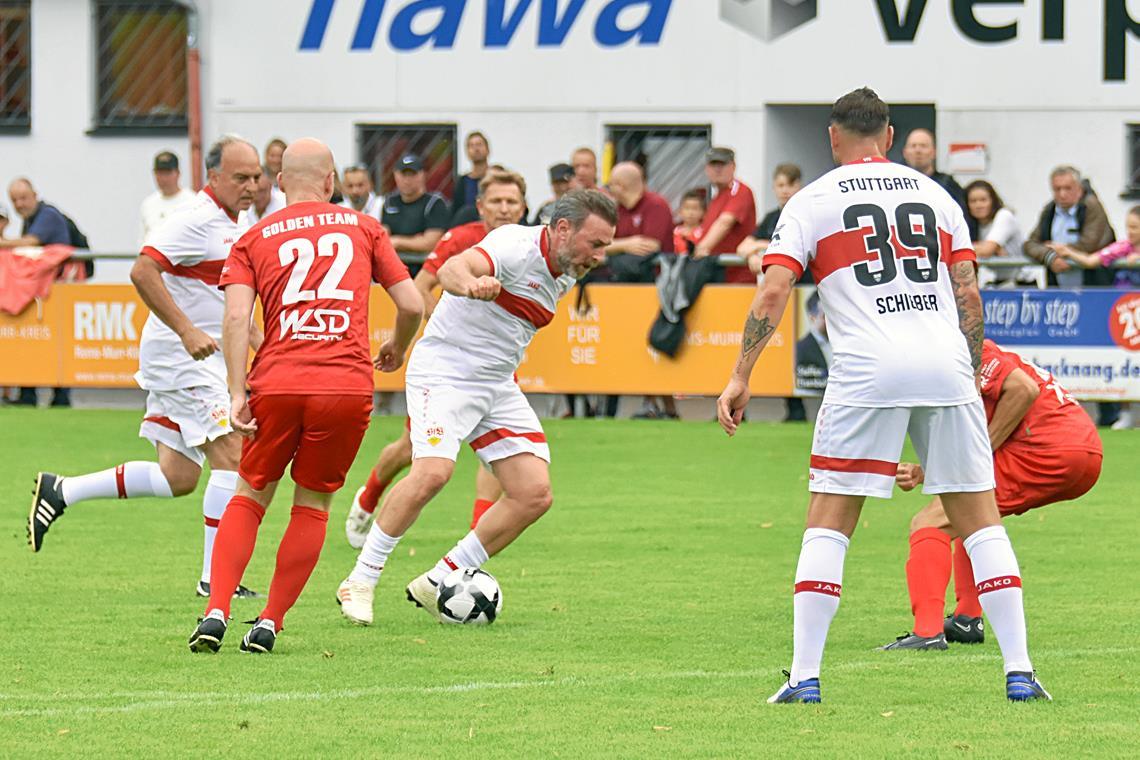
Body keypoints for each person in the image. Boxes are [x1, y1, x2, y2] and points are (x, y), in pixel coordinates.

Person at [716, 87, 1050, 704]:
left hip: (867, 367)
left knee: (830, 521)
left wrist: (742, 374)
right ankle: (1021, 672)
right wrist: (969, 372)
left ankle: (804, 678)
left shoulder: (811, 200)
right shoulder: (936, 196)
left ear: (833, 137)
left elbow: (773, 291)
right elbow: (969, 295)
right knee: (980, 519)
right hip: (946, 362)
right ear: (890, 137)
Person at [336, 188, 616, 626]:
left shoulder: (568, 267)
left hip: (494, 384)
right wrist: (472, 284)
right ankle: (360, 579)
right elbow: (451, 268)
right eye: (595, 244)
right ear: (562, 229)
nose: (600, 255)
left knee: (533, 494)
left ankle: (441, 576)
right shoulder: (513, 245)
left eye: (606, 247)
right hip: (444, 371)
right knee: (431, 472)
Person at [186, 138, 422, 654]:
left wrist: (235, 388)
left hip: (277, 380)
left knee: (250, 493)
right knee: (312, 504)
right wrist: (397, 348)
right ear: (332, 181)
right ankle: (270, 621)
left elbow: (234, 318)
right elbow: (410, 303)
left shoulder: (253, 236)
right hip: (343, 385)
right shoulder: (364, 227)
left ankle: (216, 610)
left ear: (278, 182)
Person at [27, 135, 265, 600]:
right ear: (213, 177)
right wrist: (186, 331)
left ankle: (62, 490)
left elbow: (224, 295)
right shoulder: (195, 220)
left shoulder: (237, 221)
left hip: (200, 359)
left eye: (256, 176)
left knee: (179, 478)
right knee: (233, 455)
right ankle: (215, 580)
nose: (251, 185)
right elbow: (142, 271)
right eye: (241, 177)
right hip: (181, 360)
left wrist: (256, 340)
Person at [344, 170, 531, 548]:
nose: (505, 208)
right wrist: (448, 323)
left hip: (494, 368)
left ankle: (475, 534)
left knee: (496, 450)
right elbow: (420, 287)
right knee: (411, 448)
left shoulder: (530, 246)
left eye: (512, 202)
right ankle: (369, 497)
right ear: (480, 206)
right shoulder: (462, 239)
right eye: (496, 201)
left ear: (524, 207)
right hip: (446, 367)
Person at [885, 339, 1102, 651]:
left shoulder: (963, 348)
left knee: (928, 522)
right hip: (1083, 450)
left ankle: (927, 632)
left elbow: (1023, 390)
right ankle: (967, 619)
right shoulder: (952, 359)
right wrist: (925, 471)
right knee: (969, 516)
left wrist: (980, 456)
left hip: (1047, 448)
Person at [6, 178, 84, 406]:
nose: (19, 204)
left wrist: (3, 243)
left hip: (57, 291)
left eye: (23, 198)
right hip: (44, 291)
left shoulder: (47, 216)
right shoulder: (31, 219)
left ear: (35, 195)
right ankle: (31, 393)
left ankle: (60, 396)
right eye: (15, 200)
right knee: (41, 341)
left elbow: (30, 243)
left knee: (59, 341)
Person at [1022, 165, 1116, 288]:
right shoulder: (1049, 210)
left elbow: (1090, 244)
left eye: (1068, 188)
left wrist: (1060, 251)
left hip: (1094, 283)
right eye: (1057, 189)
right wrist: (1049, 257)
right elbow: (1030, 244)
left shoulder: (1092, 206)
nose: (1062, 194)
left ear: (1079, 188)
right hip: (1059, 288)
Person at [692, 147, 757, 284]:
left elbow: (725, 223)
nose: (717, 169)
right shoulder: (716, 198)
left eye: (722, 164)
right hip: (717, 276)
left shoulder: (739, 191)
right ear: (707, 169)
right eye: (713, 165)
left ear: (733, 166)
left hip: (738, 279)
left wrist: (701, 249)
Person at [602, 161, 674, 282]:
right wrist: (626, 245)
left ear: (621, 186)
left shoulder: (656, 205)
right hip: (623, 278)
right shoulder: (618, 209)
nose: (608, 190)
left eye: (610, 186)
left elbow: (650, 246)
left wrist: (615, 247)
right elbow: (599, 245)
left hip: (654, 282)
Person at [964, 180, 1032, 287]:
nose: (978, 205)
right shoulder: (974, 224)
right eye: (973, 201)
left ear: (993, 201)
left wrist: (984, 248)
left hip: (1021, 283)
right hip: (1000, 282)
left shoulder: (1004, 216)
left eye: (983, 200)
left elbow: (986, 250)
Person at [738, 163, 803, 276]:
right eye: (781, 185)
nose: (785, 190)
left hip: (803, 284)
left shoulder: (805, 215)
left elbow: (794, 247)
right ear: (774, 187)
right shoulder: (771, 217)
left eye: (790, 185)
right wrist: (752, 256)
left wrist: (758, 246)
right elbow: (742, 248)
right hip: (776, 284)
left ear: (799, 186)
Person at [382, 154, 450, 256]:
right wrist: (415, 241)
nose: (407, 180)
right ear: (395, 175)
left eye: (412, 174)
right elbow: (383, 239)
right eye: (403, 174)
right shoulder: (390, 202)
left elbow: (430, 243)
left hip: (423, 267)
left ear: (423, 175)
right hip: (393, 265)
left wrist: (397, 241)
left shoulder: (434, 203)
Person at [901, 128, 968, 220]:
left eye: (923, 146)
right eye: (913, 146)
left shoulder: (948, 185)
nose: (918, 150)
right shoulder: (897, 184)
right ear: (905, 152)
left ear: (934, 152)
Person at [139, 151, 196, 246]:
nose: (164, 178)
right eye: (160, 173)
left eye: (168, 173)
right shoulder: (148, 204)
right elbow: (143, 239)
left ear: (178, 173)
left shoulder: (192, 201)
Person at [450, 131, 491, 224]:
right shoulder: (462, 182)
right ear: (467, 152)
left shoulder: (499, 177)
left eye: (479, 144)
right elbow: (456, 212)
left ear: (488, 149)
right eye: (471, 146)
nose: (476, 149)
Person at [672, 189, 706, 255]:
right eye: (687, 208)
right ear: (680, 211)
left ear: (703, 212)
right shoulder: (674, 232)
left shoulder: (705, 233)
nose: (691, 213)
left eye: (695, 208)